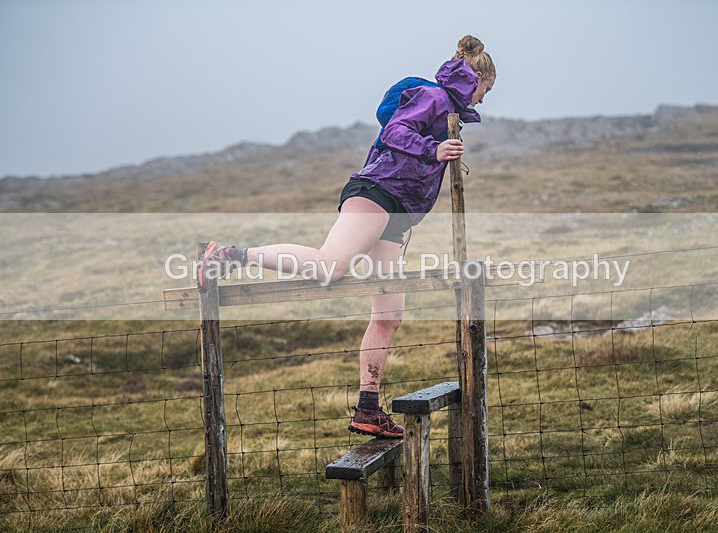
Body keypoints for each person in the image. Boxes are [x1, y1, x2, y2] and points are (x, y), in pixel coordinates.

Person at [197, 35, 496, 438]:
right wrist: (435, 150)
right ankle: (229, 254)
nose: (482, 99)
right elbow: (394, 132)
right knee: (330, 267)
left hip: (395, 214)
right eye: (485, 89)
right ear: (475, 77)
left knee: (389, 314)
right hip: (376, 193)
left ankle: (368, 408)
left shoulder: (448, 108)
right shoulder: (434, 96)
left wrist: (435, 151)